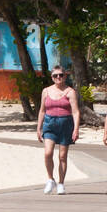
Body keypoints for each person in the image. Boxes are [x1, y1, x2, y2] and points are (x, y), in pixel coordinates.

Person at [36, 65, 80, 195]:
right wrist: (38, 128)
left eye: (61, 75)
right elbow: (42, 110)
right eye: (55, 75)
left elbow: (76, 112)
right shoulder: (46, 91)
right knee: (48, 153)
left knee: (62, 156)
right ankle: (50, 179)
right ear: (52, 77)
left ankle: (61, 183)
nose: (58, 77)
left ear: (65, 76)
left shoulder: (70, 92)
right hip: (49, 124)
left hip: (65, 124)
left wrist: (76, 129)